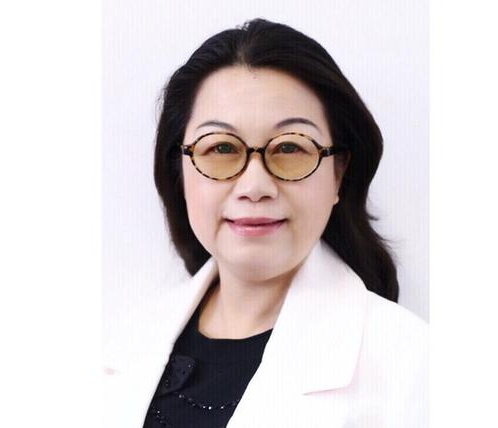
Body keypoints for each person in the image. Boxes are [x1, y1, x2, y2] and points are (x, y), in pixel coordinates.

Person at [103, 18, 427, 428]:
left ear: (338, 174)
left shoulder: (414, 366)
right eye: (221, 148)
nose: (255, 186)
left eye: (290, 148)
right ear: (179, 173)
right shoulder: (118, 343)